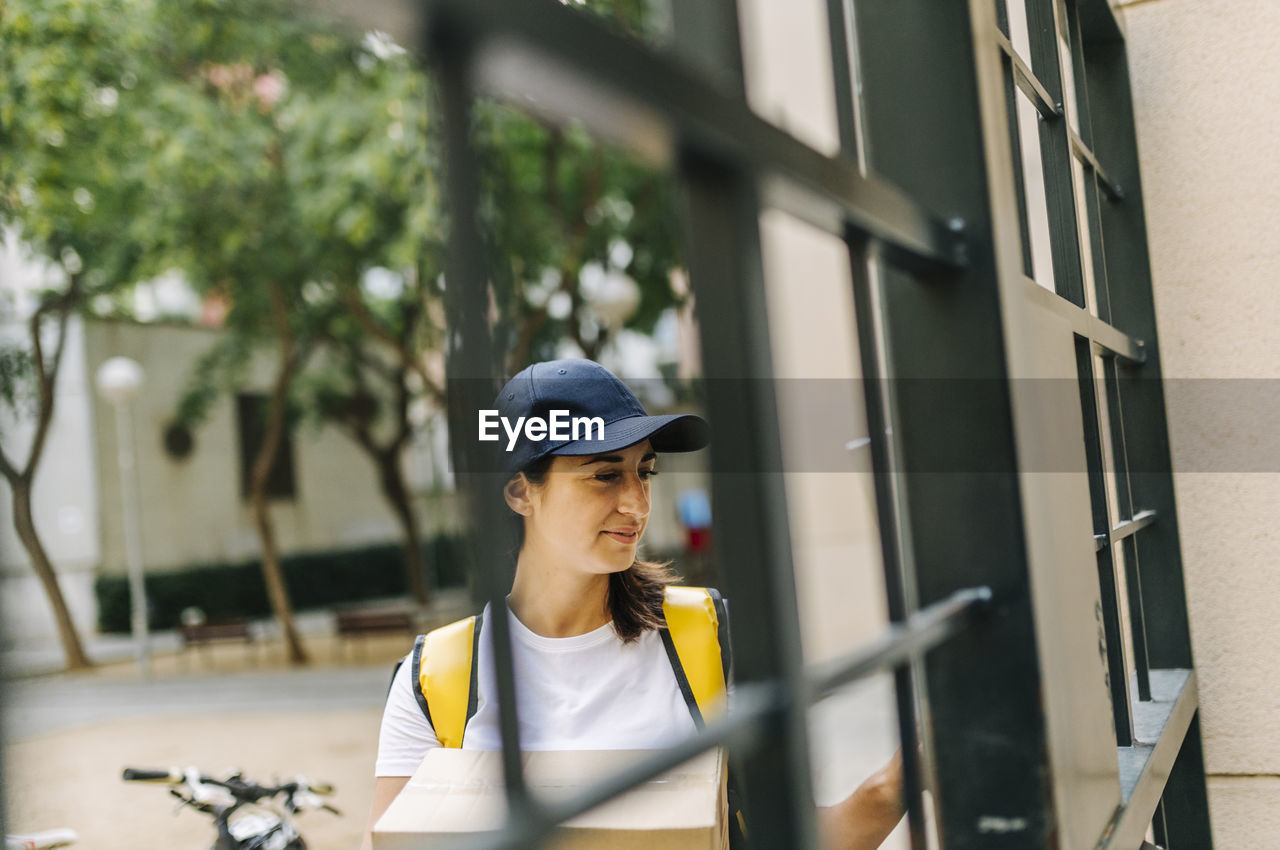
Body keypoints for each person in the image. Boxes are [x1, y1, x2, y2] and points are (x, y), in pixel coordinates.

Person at [361, 359, 906, 850]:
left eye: (644, 472)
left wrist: (897, 782)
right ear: (519, 492)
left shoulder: (707, 637)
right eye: (605, 474)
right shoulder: (437, 678)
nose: (637, 503)